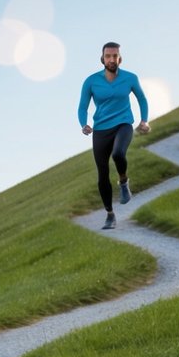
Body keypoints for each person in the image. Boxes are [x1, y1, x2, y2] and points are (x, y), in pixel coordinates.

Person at [78, 41, 151, 230]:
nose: (111, 59)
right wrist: (84, 124)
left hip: (123, 124)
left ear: (120, 58)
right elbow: (82, 106)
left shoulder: (130, 78)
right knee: (102, 175)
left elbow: (141, 98)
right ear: (102, 59)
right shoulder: (91, 81)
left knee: (118, 154)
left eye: (115, 56)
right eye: (108, 56)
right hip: (101, 129)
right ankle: (110, 215)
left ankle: (124, 182)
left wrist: (144, 120)